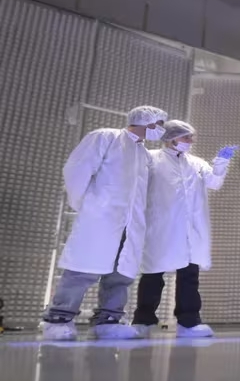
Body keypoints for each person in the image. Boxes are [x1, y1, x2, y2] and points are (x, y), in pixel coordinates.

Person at [41, 105, 168, 341]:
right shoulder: (106, 137)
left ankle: (108, 321)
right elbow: (77, 170)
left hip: (131, 224)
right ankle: (58, 318)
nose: (161, 129)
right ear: (146, 121)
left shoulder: (144, 155)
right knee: (82, 270)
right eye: (159, 124)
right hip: (101, 219)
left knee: (121, 275)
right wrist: (87, 205)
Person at [131, 120, 236, 338]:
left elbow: (214, 183)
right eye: (186, 137)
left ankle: (188, 322)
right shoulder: (151, 159)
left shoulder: (196, 163)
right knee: (152, 274)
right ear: (171, 137)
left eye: (191, 137)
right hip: (160, 226)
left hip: (190, 229)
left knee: (189, 275)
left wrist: (221, 163)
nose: (190, 141)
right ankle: (143, 320)